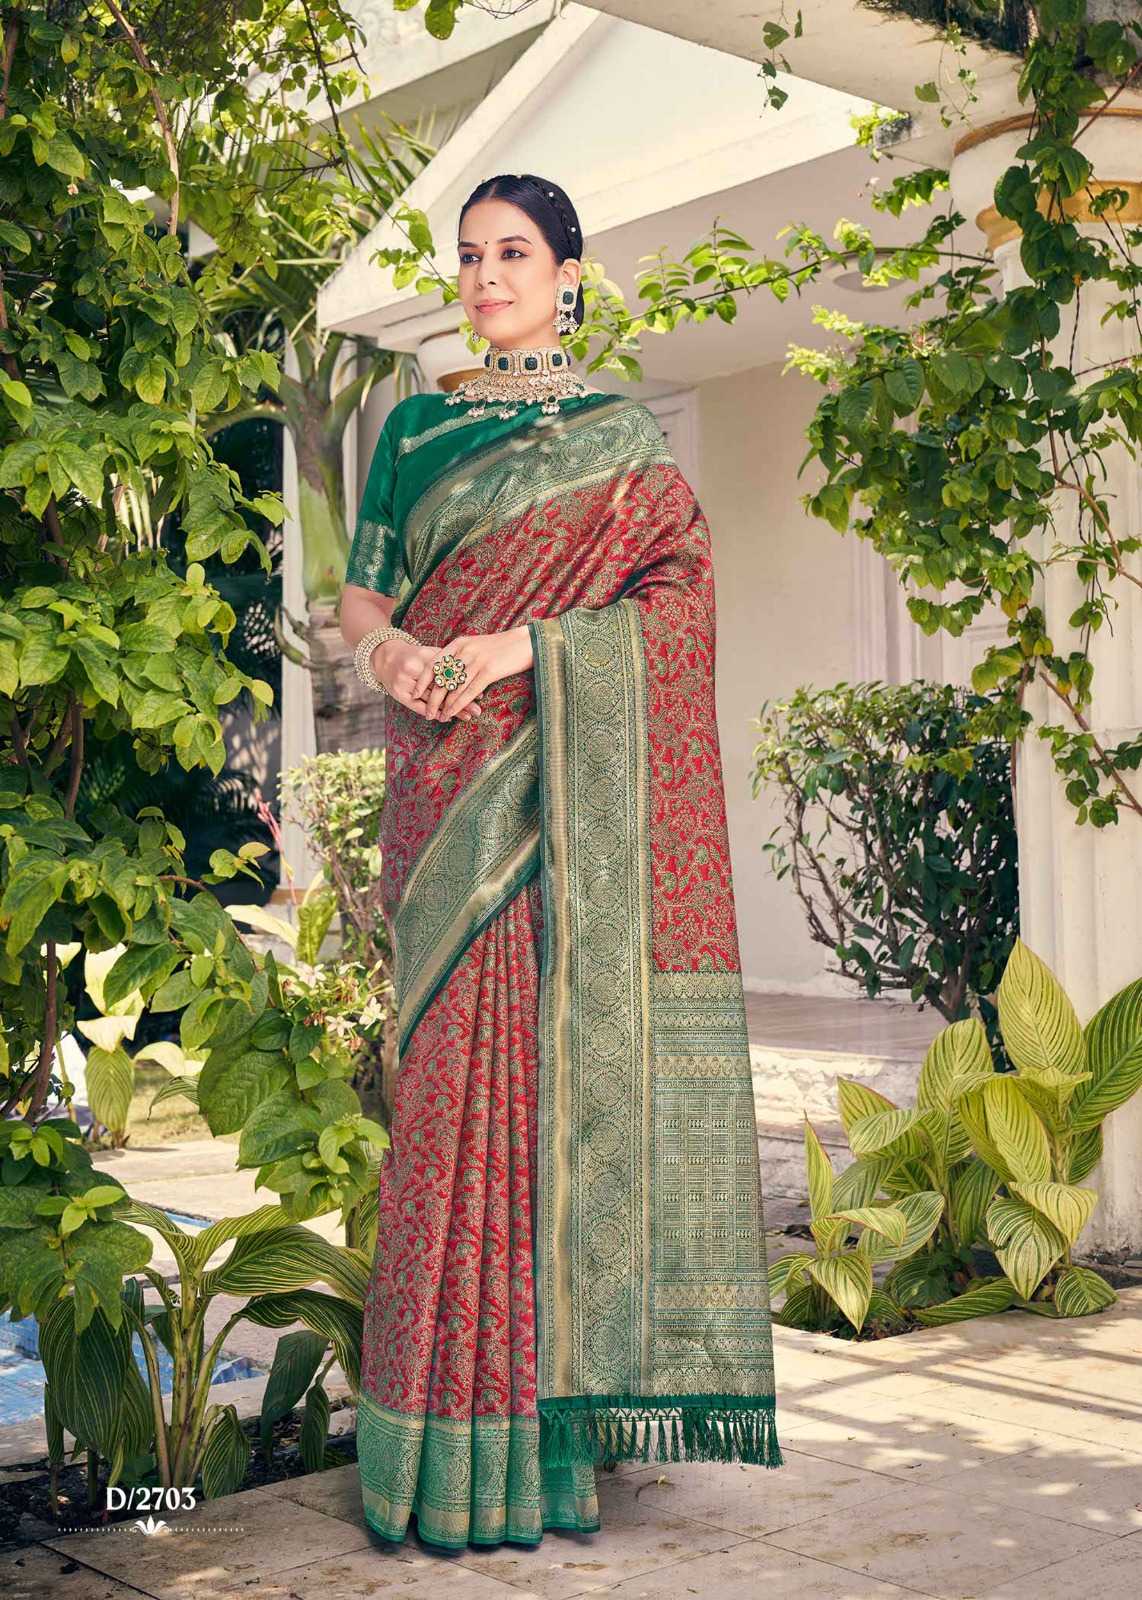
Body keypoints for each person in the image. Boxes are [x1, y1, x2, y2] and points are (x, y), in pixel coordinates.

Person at [339, 173, 782, 1554]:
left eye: (513, 253)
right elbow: (361, 592)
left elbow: (678, 603)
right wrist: (391, 655)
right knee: (445, 1102)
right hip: (442, 792)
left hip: (564, 803)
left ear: (567, 274)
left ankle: (544, 1458)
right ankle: (432, 1458)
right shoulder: (413, 431)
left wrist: (521, 646)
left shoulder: (620, 443)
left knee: (548, 1103)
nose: (486, 277)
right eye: (469, 256)